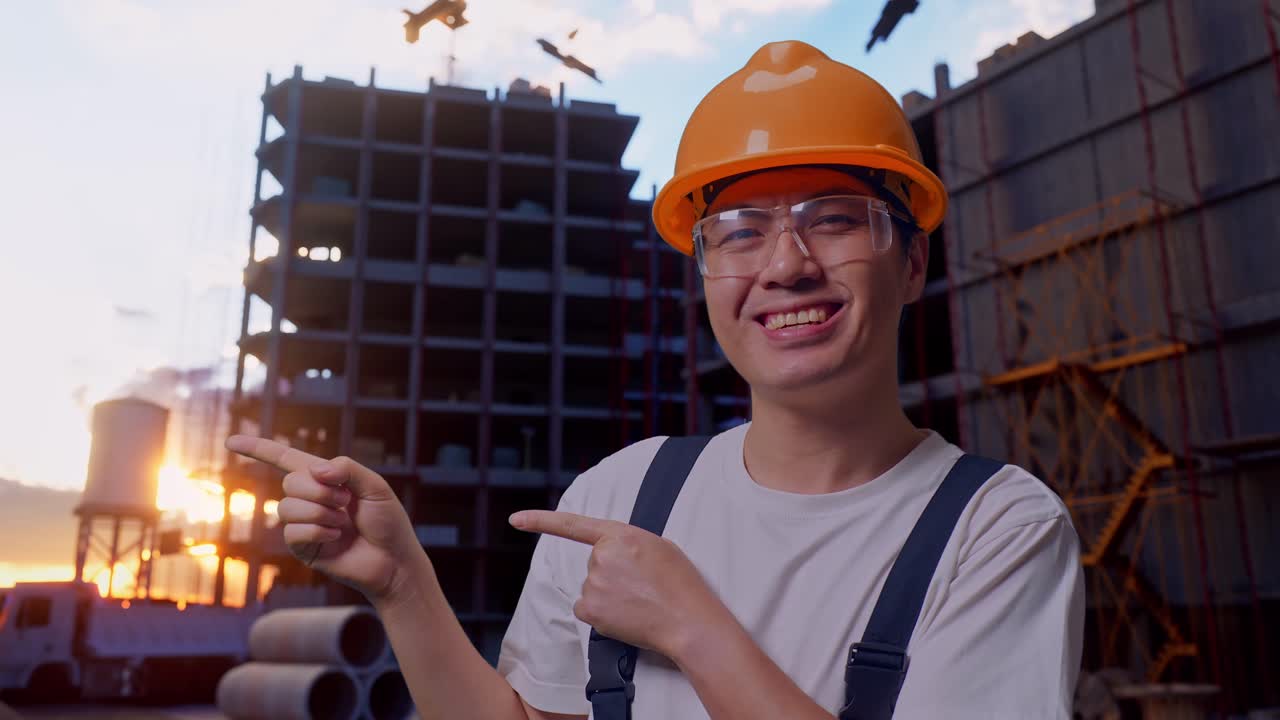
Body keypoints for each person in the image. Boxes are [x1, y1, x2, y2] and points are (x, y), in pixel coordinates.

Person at [227, 40, 1084, 720]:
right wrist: (402, 582)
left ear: (912, 261)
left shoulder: (997, 529)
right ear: (707, 269)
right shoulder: (623, 495)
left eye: (834, 221)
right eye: (742, 232)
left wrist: (694, 629)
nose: (786, 265)